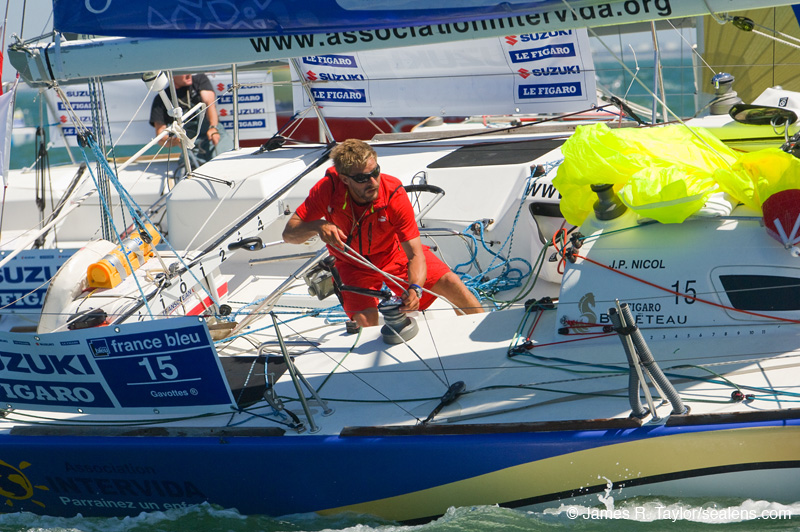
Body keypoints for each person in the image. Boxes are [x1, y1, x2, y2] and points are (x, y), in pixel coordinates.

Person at [282, 139, 483, 327]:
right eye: (362, 178)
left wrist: (415, 289)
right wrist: (317, 226)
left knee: (451, 283)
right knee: (365, 323)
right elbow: (289, 234)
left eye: (375, 172)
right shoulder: (327, 189)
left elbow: (414, 254)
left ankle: (482, 334)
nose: (373, 182)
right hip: (350, 263)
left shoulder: (393, 193)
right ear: (344, 179)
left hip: (393, 253)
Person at [149, 73, 227, 172]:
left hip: (213, 133)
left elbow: (210, 104)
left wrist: (213, 127)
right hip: (189, 142)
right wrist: (177, 141)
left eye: (188, 70)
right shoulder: (161, 100)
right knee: (186, 172)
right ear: (171, 76)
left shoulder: (200, 80)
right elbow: (160, 138)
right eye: (183, 72)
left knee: (225, 162)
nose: (188, 74)